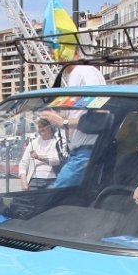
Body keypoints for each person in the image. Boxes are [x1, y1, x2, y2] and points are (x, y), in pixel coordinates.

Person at [39, 47, 107, 188]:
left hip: (86, 154)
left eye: (55, 48)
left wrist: (63, 122)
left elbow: (100, 115)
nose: (53, 53)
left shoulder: (83, 72)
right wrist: (57, 118)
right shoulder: (78, 73)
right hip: (81, 154)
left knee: (51, 197)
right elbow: (87, 113)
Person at [19, 119, 63, 190]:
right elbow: (23, 163)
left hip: (53, 179)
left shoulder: (58, 142)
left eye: (44, 128)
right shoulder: (33, 143)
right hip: (34, 180)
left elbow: (57, 160)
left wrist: (38, 157)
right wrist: (24, 181)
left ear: (51, 128)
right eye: (39, 128)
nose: (41, 131)